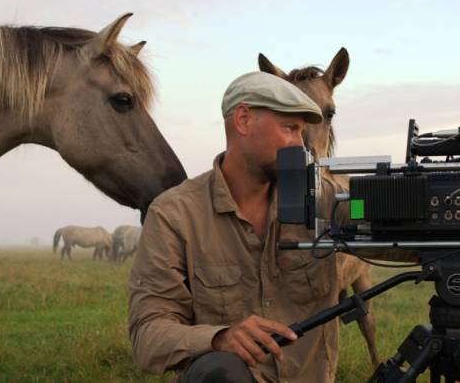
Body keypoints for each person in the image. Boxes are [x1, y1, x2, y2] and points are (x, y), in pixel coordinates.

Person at [128, 71, 345, 383]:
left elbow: (388, 229)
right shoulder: (174, 215)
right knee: (222, 372)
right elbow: (147, 336)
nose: (301, 145)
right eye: (290, 128)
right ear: (243, 121)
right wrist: (218, 338)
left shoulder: (325, 200)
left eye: (302, 132)